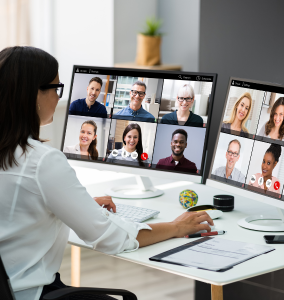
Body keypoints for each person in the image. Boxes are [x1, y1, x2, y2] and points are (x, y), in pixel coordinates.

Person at [0, 46, 213, 300]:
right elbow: (108, 238)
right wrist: (175, 227)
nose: (59, 97)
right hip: (30, 292)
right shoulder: (43, 162)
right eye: (57, 89)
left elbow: (17, 207)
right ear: (33, 94)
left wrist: (79, 204)